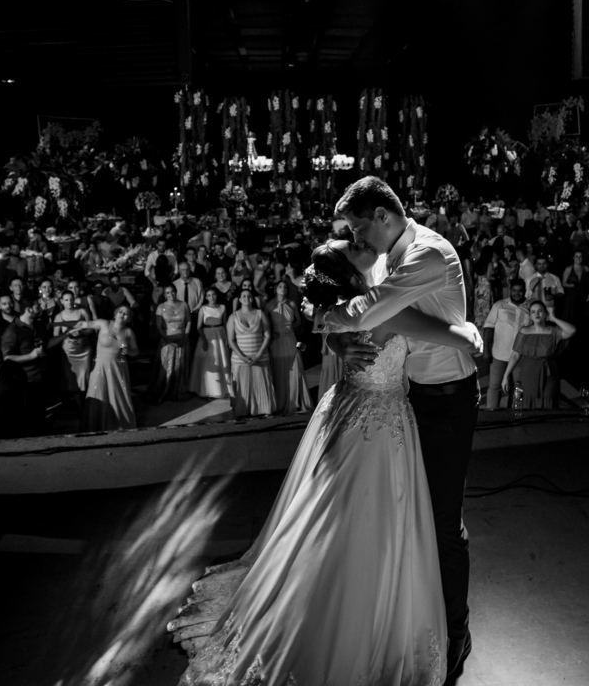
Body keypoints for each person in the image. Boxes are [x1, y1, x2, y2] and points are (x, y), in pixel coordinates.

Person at [169, 235, 482, 685]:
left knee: (334, 513)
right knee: (364, 517)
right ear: (352, 272)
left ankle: (335, 591)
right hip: (378, 418)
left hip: (345, 407)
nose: (362, 242)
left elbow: (323, 317)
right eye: (354, 244)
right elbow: (456, 337)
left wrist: (335, 339)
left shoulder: (346, 304)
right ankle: (357, 608)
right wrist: (468, 332)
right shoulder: (383, 307)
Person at [318, 176, 483, 676]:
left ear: (383, 216)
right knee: (408, 518)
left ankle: (457, 631)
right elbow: (369, 315)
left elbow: (371, 312)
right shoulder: (386, 256)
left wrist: (331, 317)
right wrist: (333, 333)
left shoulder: (427, 255)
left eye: (358, 228)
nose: (356, 239)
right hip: (410, 400)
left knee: (443, 523)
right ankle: (412, 618)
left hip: (449, 401)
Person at [66, 305, 139, 431]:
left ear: (129, 319)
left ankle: (118, 424)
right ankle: (94, 425)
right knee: (97, 392)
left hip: (118, 368)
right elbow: (83, 324)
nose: (122, 315)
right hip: (100, 367)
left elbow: (136, 351)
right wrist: (58, 324)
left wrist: (129, 351)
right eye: (120, 312)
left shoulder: (128, 332)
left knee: (118, 396)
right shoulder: (104, 324)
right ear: (115, 314)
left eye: (126, 313)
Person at [500, 300, 576, 408]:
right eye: (533, 312)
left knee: (548, 400)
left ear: (545, 313)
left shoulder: (553, 331)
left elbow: (572, 330)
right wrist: (506, 376)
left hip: (548, 373)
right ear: (530, 316)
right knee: (527, 400)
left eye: (540, 311)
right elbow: (515, 355)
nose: (537, 314)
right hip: (528, 373)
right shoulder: (524, 331)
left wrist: (553, 318)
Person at [227, 284, 276, 417]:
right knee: (242, 386)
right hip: (240, 359)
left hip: (260, 356)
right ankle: (242, 411)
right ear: (239, 299)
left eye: (249, 296)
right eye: (243, 296)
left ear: (252, 298)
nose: (246, 298)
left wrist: (258, 355)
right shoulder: (233, 317)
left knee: (261, 384)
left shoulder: (260, 314)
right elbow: (231, 340)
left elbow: (267, 335)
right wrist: (243, 357)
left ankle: (263, 409)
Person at [481, 277, 531, 409]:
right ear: (510, 290)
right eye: (514, 290)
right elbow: (488, 327)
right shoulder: (499, 305)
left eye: (520, 291)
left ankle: (513, 414)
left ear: (525, 291)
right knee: (495, 386)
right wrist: (486, 350)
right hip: (499, 354)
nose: (517, 293)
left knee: (517, 388)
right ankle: (492, 413)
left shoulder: (530, 308)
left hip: (520, 356)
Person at [0, 302, 48, 435]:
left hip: (41, 376)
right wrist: (31, 356)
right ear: (28, 309)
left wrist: (66, 334)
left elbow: (46, 344)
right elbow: (7, 358)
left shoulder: (38, 325)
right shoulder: (12, 331)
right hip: (26, 380)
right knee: (29, 419)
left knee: (40, 417)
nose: (41, 309)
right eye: (37, 307)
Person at [265, 280, 312, 414]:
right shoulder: (269, 305)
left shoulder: (291, 304)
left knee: (294, 367)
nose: (283, 289)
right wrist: (271, 331)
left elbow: (298, 321)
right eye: (280, 286)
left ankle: (294, 399)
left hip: (290, 338)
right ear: (275, 289)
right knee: (279, 368)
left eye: (285, 287)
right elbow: (264, 322)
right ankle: (279, 401)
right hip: (276, 340)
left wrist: (293, 325)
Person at [188, 287, 233, 400]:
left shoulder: (222, 307)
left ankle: (222, 388)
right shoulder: (203, 308)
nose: (211, 297)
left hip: (220, 333)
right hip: (207, 334)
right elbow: (199, 327)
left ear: (217, 295)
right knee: (208, 361)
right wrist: (204, 340)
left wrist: (227, 339)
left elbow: (225, 323)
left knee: (220, 358)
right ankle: (207, 389)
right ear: (206, 297)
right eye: (209, 295)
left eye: (213, 295)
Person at [54, 290, 94, 413]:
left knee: (85, 377)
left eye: (71, 299)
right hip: (68, 352)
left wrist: (81, 332)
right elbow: (55, 335)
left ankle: (88, 404)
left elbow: (91, 329)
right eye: (66, 300)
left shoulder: (82, 312)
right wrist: (67, 334)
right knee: (72, 379)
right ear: (62, 301)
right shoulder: (59, 316)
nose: (69, 302)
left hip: (84, 350)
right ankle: (78, 408)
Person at [151, 283, 191, 403]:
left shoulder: (184, 304)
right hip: (167, 340)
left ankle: (177, 391)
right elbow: (159, 327)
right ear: (164, 294)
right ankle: (164, 391)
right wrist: (168, 341)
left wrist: (185, 337)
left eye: (172, 291)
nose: (171, 294)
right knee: (165, 368)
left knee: (181, 366)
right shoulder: (161, 307)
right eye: (167, 293)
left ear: (176, 292)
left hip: (182, 339)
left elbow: (189, 322)